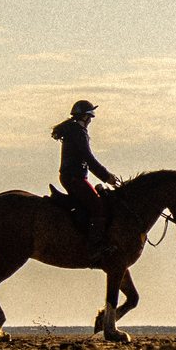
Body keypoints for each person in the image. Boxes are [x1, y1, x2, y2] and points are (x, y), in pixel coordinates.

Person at [52, 99, 122, 257]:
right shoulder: (78, 132)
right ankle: (96, 247)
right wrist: (106, 176)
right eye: (90, 116)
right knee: (97, 206)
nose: (91, 119)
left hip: (73, 177)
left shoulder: (75, 130)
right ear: (84, 117)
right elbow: (88, 158)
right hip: (74, 178)